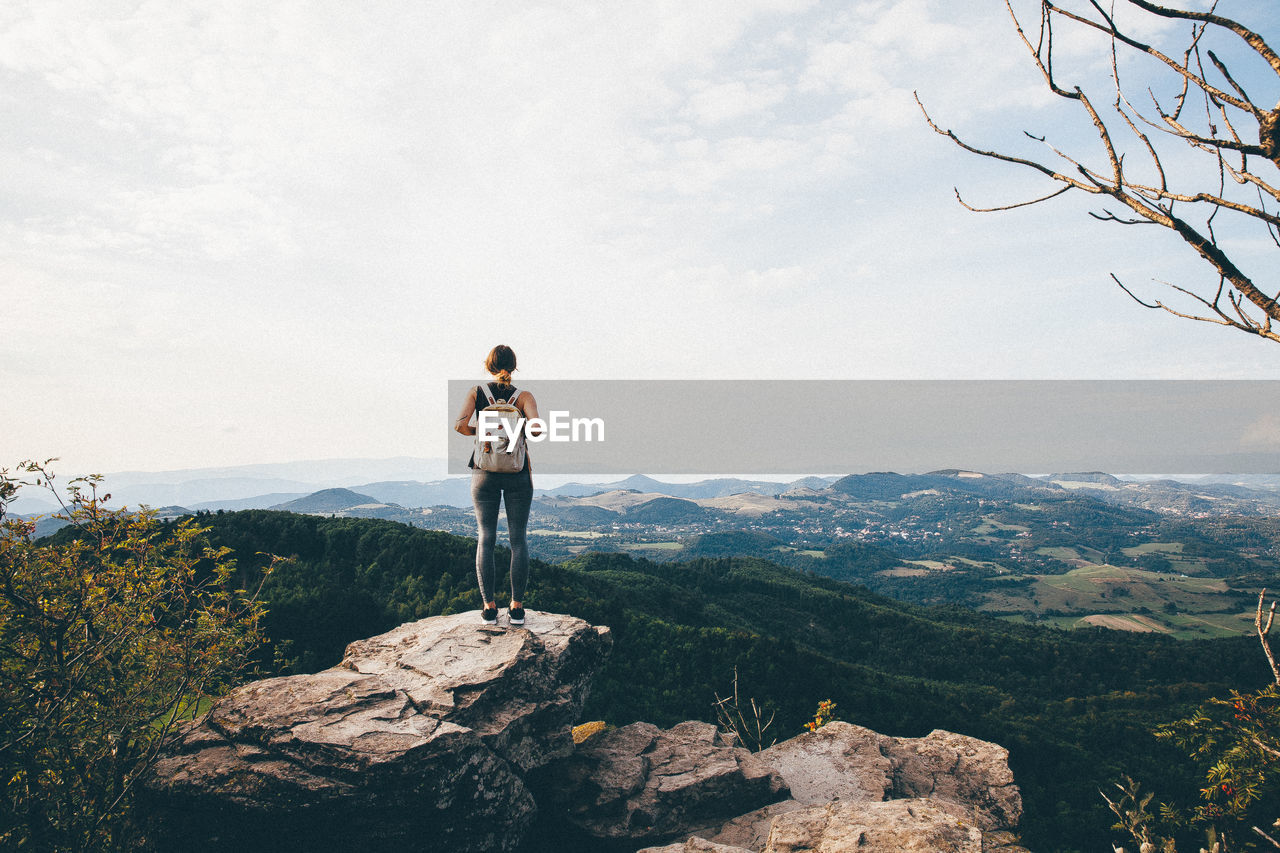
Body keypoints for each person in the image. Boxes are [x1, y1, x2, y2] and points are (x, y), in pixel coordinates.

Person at [454, 345, 540, 627]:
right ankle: (516, 609)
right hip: (517, 472)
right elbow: (536, 430)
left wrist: (486, 430)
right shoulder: (523, 397)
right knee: (518, 540)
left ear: (488, 366)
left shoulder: (477, 393)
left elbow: (459, 426)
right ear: (514, 367)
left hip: (483, 472)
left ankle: (489, 609)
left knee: (486, 538)